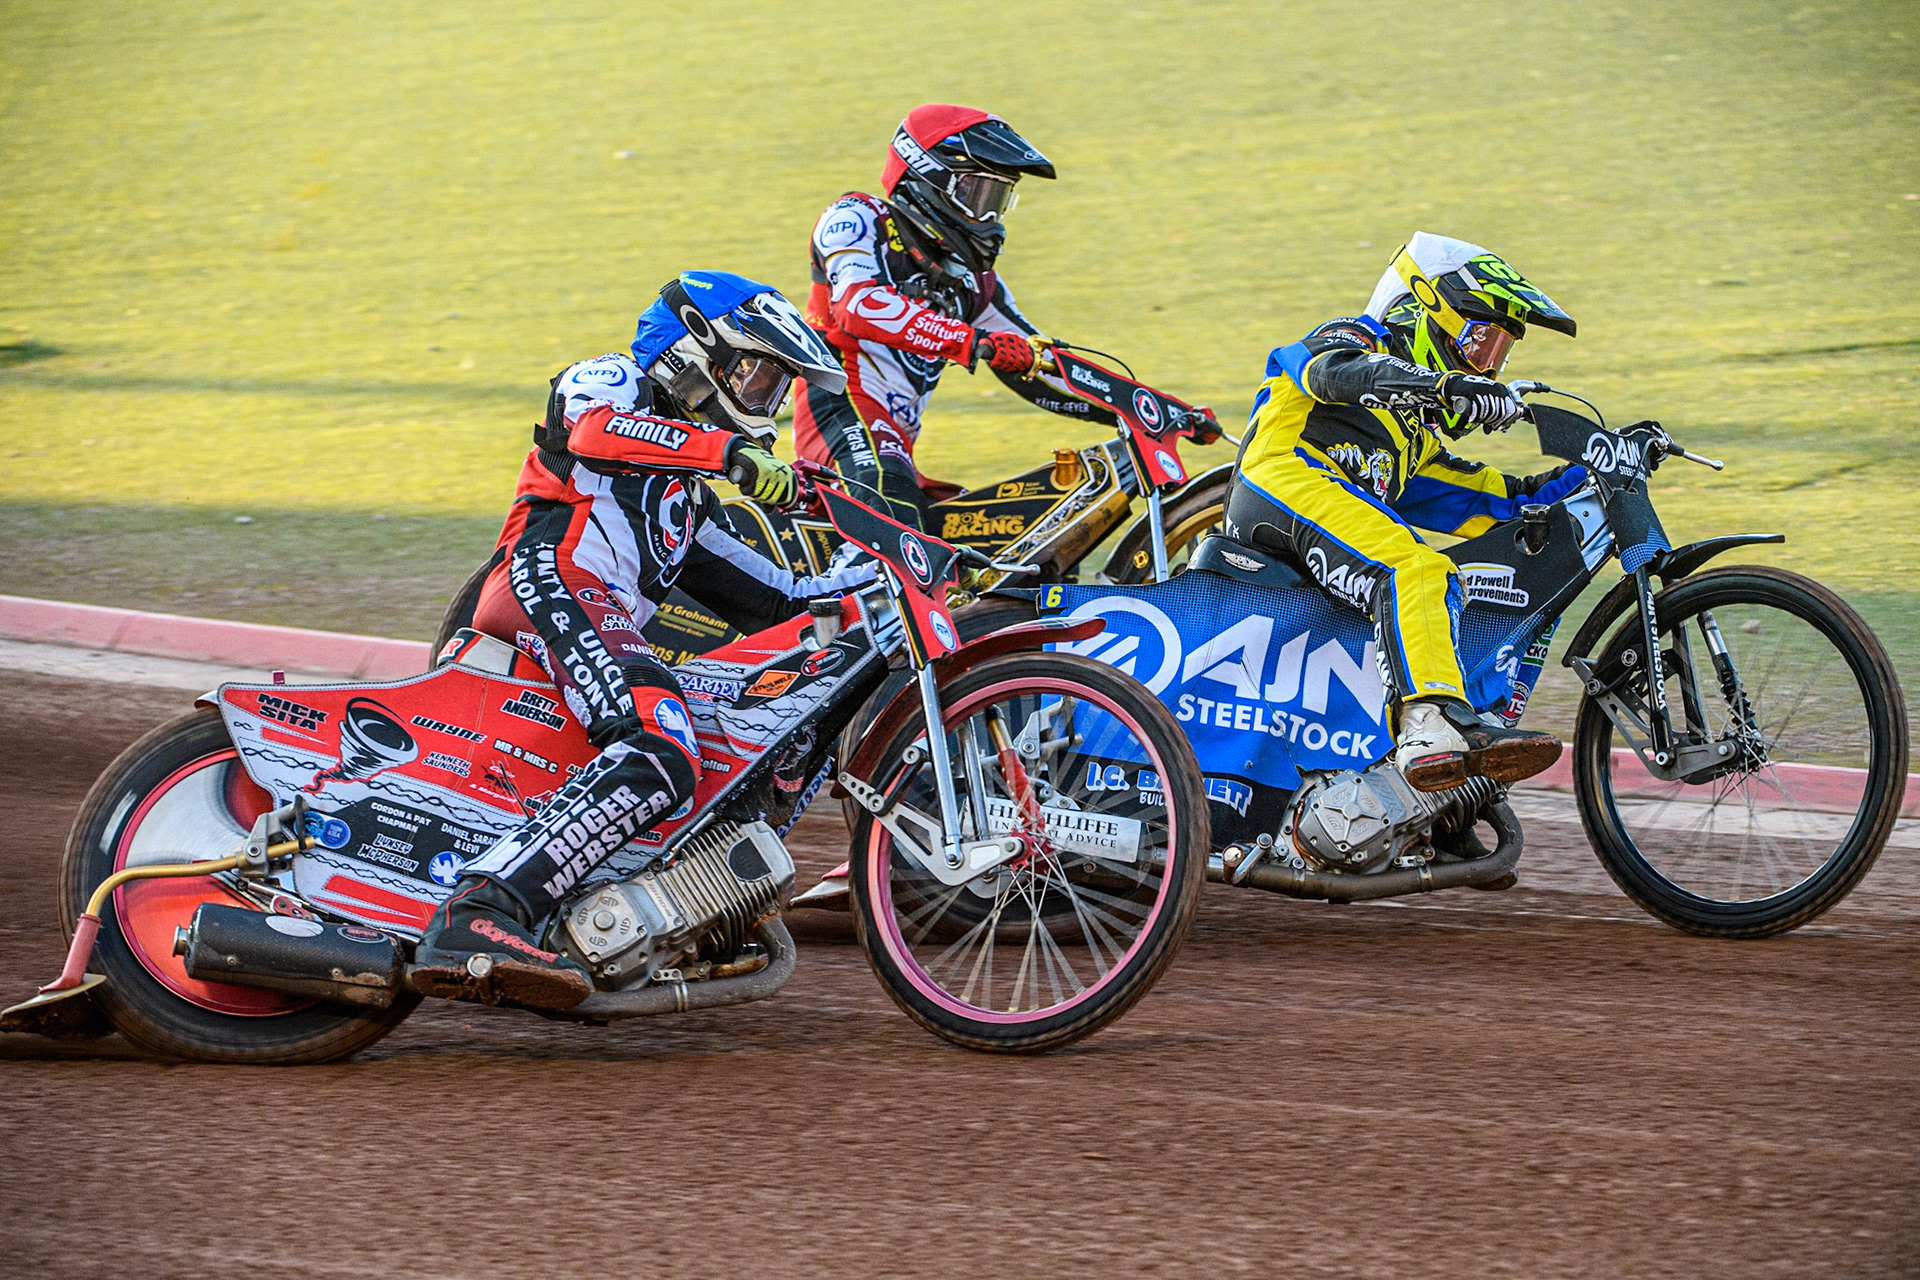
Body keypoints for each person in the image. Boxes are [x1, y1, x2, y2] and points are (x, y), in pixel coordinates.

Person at [413, 270, 875, 1011]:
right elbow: (596, 431)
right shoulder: (612, 380)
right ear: (694, 359)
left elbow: (782, 599)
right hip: (548, 578)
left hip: (590, 609)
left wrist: (870, 575)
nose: (761, 400)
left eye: (773, 384)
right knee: (664, 746)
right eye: (755, 374)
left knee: (713, 741)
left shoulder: (682, 502)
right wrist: (725, 456)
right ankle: (481, 913)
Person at [1225, 232, 1589, 791]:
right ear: (1424, 309)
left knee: (1450, 586)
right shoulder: (1350, 338)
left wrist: (1599, 467)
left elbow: (1497, 502)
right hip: (1281, 482)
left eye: (1498, 354)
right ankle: (1431, 729)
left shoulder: (1410, 438)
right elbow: (1333, 372)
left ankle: (1420, 796)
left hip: (1322, 512)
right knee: (1415, 569)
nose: (1485, 367)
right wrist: (1442, 385)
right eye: (1479, 341)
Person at [795, 103, 1118, 529]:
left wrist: (1138, 406)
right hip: (839, 406)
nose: (990, 219)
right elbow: (858, 306)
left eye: (999, 200)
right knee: (892, 501)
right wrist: (971, 342)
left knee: (1006, 533)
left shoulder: (975, 282)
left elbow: (1038, 359)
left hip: (897, 444)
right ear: (928, 180)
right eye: (977, 195)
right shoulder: (856, 220)